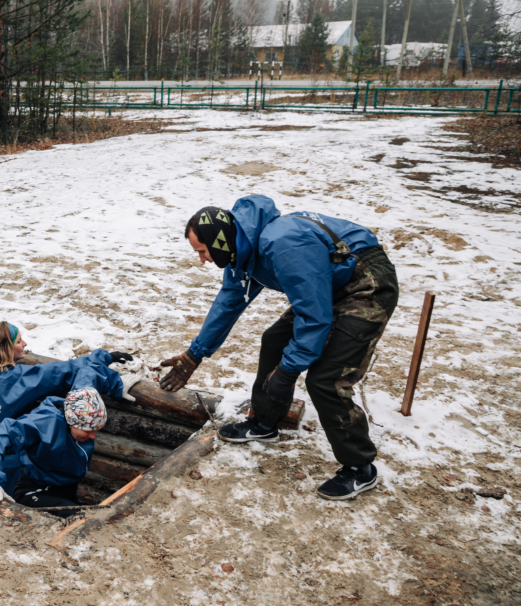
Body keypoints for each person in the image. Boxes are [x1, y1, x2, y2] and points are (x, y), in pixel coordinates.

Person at [158, 195, 399, 500]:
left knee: (325, 378)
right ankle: (264, 422)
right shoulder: (241, 250)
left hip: (365, 283)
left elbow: (314, 317)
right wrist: (195, 355)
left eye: (202, 251)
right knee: (275, 340)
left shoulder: (282, 243)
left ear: (218, 241)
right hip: (328, 285)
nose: (202, 259)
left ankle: (359, 467)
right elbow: (228, 304)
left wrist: (287, 370)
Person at [0, 321, 138, 494]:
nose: (24, 344)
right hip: (6, 458)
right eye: (18, 341)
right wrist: (105, 358)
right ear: (6, 349)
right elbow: (69, 369)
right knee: (1, 506)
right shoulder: (24, 379)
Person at [0, 368, 137, 513]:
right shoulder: (42, 424)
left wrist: (116, 384)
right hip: (36, 491)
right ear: (72, 421)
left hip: (66, 487)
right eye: (88, 431)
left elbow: (88, 373)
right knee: (80, 517)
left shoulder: (82, 401)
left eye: (96, 431)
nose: (93, 437)